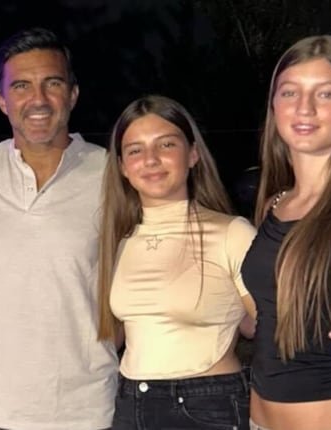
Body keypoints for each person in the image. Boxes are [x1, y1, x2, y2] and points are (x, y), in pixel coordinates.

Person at [0, 27, 118, 430]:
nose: (38, 99)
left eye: (52, 83)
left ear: (73, 94)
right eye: (21, 86)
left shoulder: (111, 173)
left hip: (88, 408)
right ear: (2, 101)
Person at [96, 95, 257, 429]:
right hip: (129, 403)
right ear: (122, 167)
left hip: (207, 406)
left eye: (166, 144)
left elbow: (275, 328)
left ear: (193, 154)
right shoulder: (119, 241)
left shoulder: (232, 233)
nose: (151, 160)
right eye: (135, 150)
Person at [241, 35, 331, 430]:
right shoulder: (275, 204)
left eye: (326, 93)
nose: (304, 107)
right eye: (290, 92)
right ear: (274, 105)